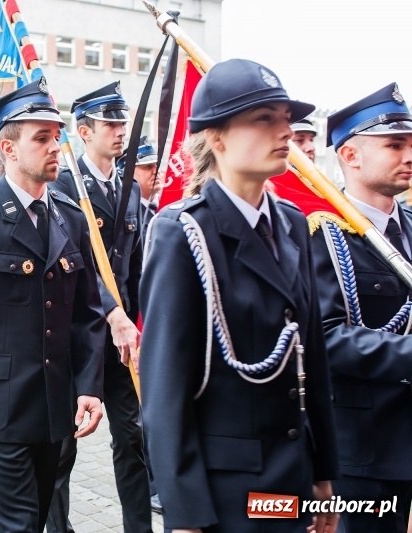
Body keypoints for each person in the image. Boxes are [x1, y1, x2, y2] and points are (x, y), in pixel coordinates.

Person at [139, 58, 339, 533]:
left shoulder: (291, 223)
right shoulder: (183, 232)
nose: (285, 130)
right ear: (217, 137)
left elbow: (313, 358)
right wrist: (186, 517)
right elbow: (165, 391)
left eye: (286, 118)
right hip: (228, 496)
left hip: (293, 481)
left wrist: (325, 476)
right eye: (264, 118)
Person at [0, 79, 106, 533]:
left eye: (57, 135)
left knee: (42, 516)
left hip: (55, 411)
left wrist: (90, 385)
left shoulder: (69, 215)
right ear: (8, 148)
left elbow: (87, 314)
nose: (56, 146)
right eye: (42, 137)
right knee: (16, 527)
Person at [48, 81, 151, 533]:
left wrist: (144, 319)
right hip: (79, 336)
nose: (119, 130)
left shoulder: (130, 186)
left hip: (126, 339)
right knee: (62, 448)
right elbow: (81, 266)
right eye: (110, 123)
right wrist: (113, 315)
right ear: (84, 132)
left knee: (134, 440)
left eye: (122, 122)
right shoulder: (63, 186)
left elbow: (138, 267)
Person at [310, 83, 412, 532]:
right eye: (394, 145)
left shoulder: (410, 225)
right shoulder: (321, 234)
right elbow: (326, 337)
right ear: (350, 156)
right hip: (366, 448)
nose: (409, 155)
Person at [119, 136, 162, 239]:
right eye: (148, 167)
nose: (156, 171)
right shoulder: (125, 214)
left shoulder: (167, 203)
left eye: (157, 165)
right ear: (127, 173)